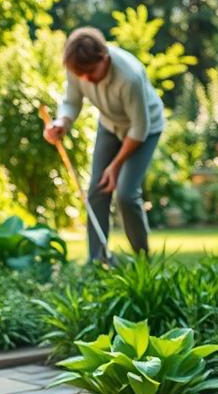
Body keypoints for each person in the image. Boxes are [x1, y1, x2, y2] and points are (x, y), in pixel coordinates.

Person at [44, 26, 164, 262]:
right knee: (96, 191)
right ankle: (97, 261)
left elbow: (139, 129)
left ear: (104, 57)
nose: (86, 79)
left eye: (90, 72)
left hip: (145, 129)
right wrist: (61, 123)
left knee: (127, 195)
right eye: (81, 75)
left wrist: (116, 165)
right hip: (110, 125)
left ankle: (143, 260)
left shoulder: (129, 77)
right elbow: (71, 101)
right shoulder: (78, 69)